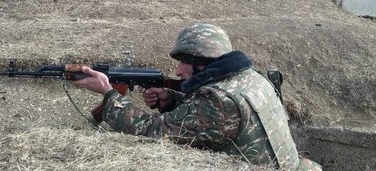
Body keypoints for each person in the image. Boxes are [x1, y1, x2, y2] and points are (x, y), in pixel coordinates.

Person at [71, 23, 321, 170]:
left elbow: (149, 131)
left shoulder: (218, 102)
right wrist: (172, 100)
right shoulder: (252, 77)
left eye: (184, 63)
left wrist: (108, 93)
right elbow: (221, 123)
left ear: (202, 63)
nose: (178, 71)